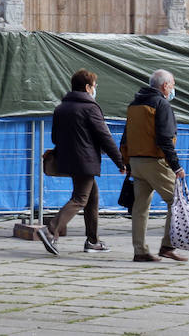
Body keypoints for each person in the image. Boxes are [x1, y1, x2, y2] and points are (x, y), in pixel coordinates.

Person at [35, 69, 125, 256]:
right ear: (87, 87)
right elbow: (104, 137)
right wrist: (120, 161)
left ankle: (92, 240)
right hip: (86, 161)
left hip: (69, 159)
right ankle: (51, 229)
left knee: (92, 197)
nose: (95, 89)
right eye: (94, 86)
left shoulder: (61, 108)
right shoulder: (91, 108)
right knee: (80, 199)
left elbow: (55, 136)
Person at [120, 69, 188, 262]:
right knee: (176, 201)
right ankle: (167, 246)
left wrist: (127, 162)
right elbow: (165, 139)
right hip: (155, 162)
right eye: (173, 85)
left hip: (136, 161)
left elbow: (126, 136)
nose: (173, 89)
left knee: (140, 208)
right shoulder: (161, 104)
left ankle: (140, 251)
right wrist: (176, 166)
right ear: (165, 86)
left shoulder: (134, 105)